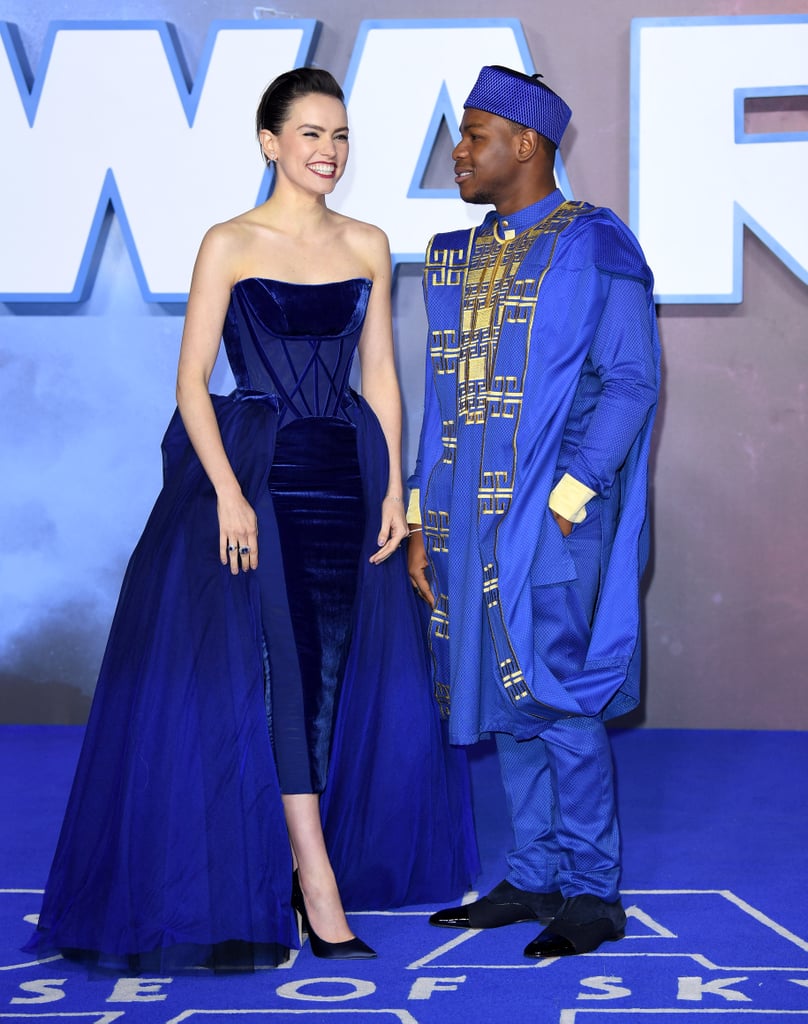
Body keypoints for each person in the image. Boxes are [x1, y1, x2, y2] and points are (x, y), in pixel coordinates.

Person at [25, 66, 477, 972]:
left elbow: (382, 375)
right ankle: (316, 889)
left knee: (333, 675)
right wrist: (228, 489)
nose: (329, 152)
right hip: (260, 478)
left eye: (340, 136)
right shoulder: (228, 242)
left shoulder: (368, 242)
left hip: (349, 476)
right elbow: (192, 381)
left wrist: (397, 490)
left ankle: (299, 867)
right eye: (311, 134)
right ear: (270, 142)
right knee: (280, 675)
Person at [407, 65, 660, 958]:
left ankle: (592, 892)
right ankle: (534, 873)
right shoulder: (455, 253)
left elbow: (631, 382)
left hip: (555, 520)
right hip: (462, 518)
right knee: (502, 692)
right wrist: (417, 510)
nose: (458, 152)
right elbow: (440, 394)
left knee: (556, 692)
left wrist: (567, 498)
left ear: (527, 145)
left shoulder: (596, 245)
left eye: (474, 136)